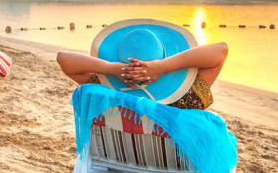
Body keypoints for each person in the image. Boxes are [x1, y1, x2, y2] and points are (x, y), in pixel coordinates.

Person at [57, 19, 228, 110]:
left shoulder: (107, 92)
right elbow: (221, 50)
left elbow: (63, 59)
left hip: (120, 167)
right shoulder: (191, 97)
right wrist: (163, 66)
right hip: (176, 171)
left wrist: (113, 69)